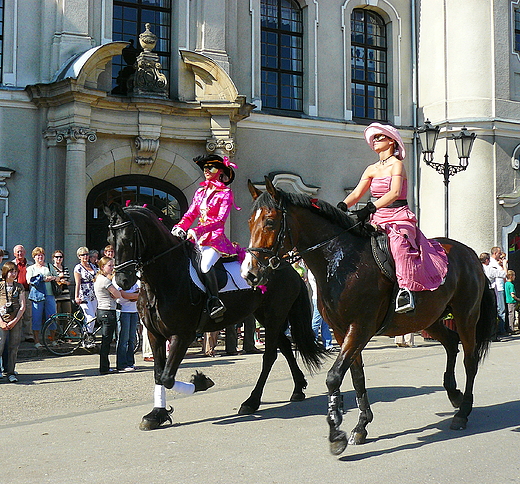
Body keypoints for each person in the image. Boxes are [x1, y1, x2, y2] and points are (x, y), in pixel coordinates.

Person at [337, 122, 448, 313]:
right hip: (377, 217)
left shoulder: (397, 165)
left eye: (380, 137)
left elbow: (395, 192)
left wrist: (369, 207)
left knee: (398, 245)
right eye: (374, 138)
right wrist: (341, 206)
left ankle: (405, 292)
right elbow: (356, 194)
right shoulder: (371, 169)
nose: (375, 141)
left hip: (399, 217)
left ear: (391, 141)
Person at [171, 154, 241, 319]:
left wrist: (198, 230)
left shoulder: (225, 193)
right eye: (205, 167)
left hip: (215, 240)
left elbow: (219, 221)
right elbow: (191, 214)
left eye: (211, 167)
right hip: (196, 239)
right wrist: (180, 226)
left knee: (205, 266)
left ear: (220, 171)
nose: (207, 170)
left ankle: (214, 302)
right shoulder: (200, 192)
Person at [93, 256, 121, 375]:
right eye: (109, 266)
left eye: (113, 265)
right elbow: (118, 294)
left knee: (106, 340)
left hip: (101, 310)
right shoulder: (105, 280)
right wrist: (114, 295)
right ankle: (104, 367)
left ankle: (105, 365)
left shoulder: (99, 278)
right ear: (102, 267)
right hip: (107, 311)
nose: (112, 268)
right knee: (106, 340)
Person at [26, 247, 58, 348]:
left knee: (52, 317)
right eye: (38, 255)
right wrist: (43, 279)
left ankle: (52, 340)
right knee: (37, 318)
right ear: (34, 257)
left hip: (49, 295)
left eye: (42, 255)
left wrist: (52, 278)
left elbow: (57, 277)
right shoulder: (31, 268)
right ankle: (37, 341)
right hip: (37, 296)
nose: (40, 257)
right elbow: (29, 281)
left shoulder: (49, 266)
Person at [0, 262, 26, 382]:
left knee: (13, 347)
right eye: (11, 271)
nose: (14, 273)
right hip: (2, 320)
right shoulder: (0, 285)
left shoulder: (19, 286)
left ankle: (10, 372)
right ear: (6, 272)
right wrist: (1, 322)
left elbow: (22, 306)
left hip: (15, 320)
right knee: (0, 346)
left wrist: (15, 320)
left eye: (15, 271)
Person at [113, 278, 140, 371]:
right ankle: (121, 364)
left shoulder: (134, 280)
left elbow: (139, 292)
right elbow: (124, 295)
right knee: (123, 338)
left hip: (134, 310)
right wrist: (135, 295)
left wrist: (134, 296)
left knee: (132, 339)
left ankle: (130, 362)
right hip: (123, 311)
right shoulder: (117, 279)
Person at [73, 246, 98, 342]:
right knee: (90, 317)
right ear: (79, 256)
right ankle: (87, 339)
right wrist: (76, 296)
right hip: (84, 294)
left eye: (87, 254)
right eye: (83, 255)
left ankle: (87, 337)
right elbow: (78, 283)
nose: (85, 256)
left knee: (93, 318)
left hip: (93, 294)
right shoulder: (78, 268)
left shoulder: (93, 266)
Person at [12, 245, 33, 342]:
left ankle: (28, 335)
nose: (20, 253)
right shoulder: (11, 264)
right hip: (15, 292)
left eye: (21, 251)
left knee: (28, 314)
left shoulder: (30, 264)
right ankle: (17, 336)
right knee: (16, 313)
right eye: (17, 252)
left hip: (27, 291)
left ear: (25, 252)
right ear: (14, 254)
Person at [489, 246, 507, 335]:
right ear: (495, 253)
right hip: (497, 288)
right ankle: (501, 329)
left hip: (499, 287)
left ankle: (501, 328)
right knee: (501, 310)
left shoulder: (495, 262)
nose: (500, 255)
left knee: (501, 309)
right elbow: (504, 274)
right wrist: (503, 265)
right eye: (499, 253)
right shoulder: (492, 263)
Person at [51, 250, 71, 314]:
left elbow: (69, 281)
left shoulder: (65, 268)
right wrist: (58, 277)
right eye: (57, 257)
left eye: (60, 257)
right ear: (53, 258)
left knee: (67, 315)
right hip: (56, 295)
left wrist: (65, 282)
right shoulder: (51, 268)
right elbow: (50, 280)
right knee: (56, 315)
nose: (59, 259)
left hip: (65, 295)